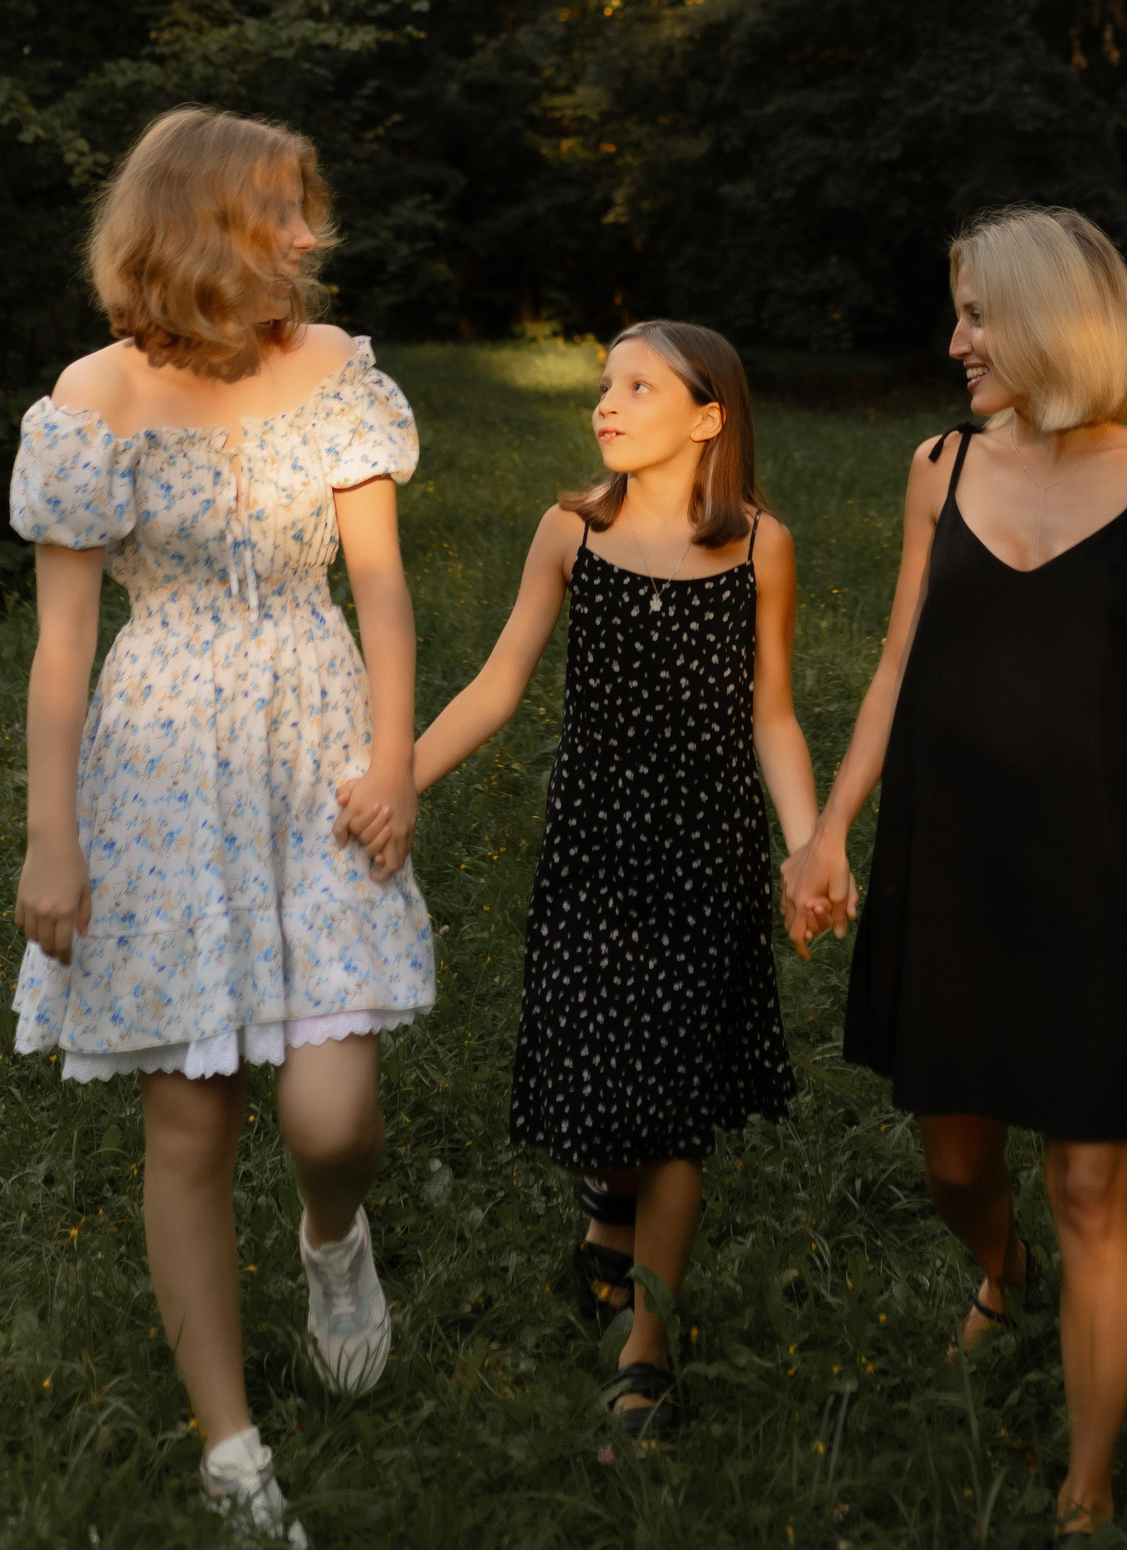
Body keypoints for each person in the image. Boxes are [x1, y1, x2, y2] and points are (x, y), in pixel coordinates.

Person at [10, 107, 434, 1546]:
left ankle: (332, 1233)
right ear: (201, 225)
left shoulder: (333, 369)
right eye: (282, 212)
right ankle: (230, 1447)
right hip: (161, 766)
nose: (312, 235)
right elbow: (61, 650)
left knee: (331, 1112)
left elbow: (380, 588)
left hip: (319, 747)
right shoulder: (96, 396)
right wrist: (52, 837)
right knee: (191, 1122)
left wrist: (394, 761)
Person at [782, 205, 1127, 1538]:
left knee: (1093, 1183)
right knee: (956, 1162)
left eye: (977, 315)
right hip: (953, 860)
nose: (955, 341)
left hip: (1102, 873)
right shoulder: (940, 465)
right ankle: (1002, 1267)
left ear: (1047, 321)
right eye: (960, 313)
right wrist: (829, 828)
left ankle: (1086, 1487)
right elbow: (897, 663)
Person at [341, 319, 816, 1445]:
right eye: (606, 383)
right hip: (594, 846)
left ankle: (649, 1346)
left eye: (640, 386)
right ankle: (608, 1200)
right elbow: (498, 682)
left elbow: (774, 714)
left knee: (677, 1103)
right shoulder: (573, 531)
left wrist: (806, 845)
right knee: (599, 1064)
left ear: (708, 418)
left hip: (706, 853)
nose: (608, 401)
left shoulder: (760, 549)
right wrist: (399, 780)